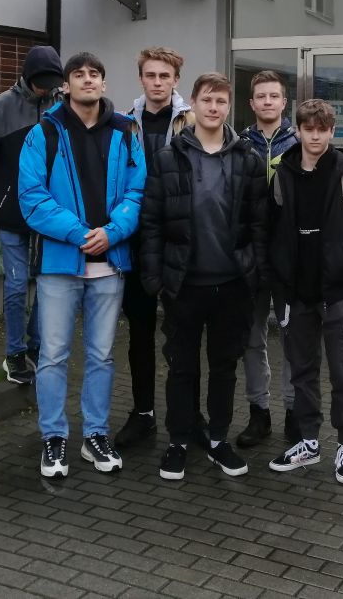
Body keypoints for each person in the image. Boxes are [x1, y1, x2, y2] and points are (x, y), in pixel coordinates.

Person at [18, 52, 146, 478]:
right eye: (79, 74)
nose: (87, 80)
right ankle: (54, 438)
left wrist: (113, 231)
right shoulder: (43, 133)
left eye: (94, 74)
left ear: (104, 84)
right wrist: (79, 233)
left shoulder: (126, 132)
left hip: (110, 264)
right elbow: (32, 198)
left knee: (101, 356)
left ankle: (95, 435)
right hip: (60, 266)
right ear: (66, 85)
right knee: (53, 355)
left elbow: (138, 192)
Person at [140, 72, 269, 481]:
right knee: (181, 367)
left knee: (224, 367)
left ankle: (217, 439)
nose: (214, 108)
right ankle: (178, 441)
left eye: (221, 101)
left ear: (230, 107)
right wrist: (155, 279)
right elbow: (152, 222)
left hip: (232, 285)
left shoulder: (248, 159)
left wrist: (254, 273)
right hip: (183, 285)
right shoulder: (168, 158)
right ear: (193, 104)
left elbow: (259, 224)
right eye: (207, 100)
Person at [267, 99, 343, 485]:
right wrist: (278, 271)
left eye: (322, 130)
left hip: (337, 292)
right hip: (295, 292)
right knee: (301, 371)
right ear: (298, 130)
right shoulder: (282, 175)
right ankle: (308, 441)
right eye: (309, 129)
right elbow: (269, 228)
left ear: (332, 131)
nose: (315, 136)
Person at [0, 45, 64, 385]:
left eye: (51, 84)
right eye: (40, 83)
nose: (45, 90)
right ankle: (15, 353)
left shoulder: (61, 107)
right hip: (12, 210)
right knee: (17, 285)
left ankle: (37, 347)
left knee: (49, 284)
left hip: (50, 213)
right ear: (28, 77)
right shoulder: (2, 106)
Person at [114, 47, 195, 449]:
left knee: (183, 334)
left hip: (178, 239)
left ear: (176, 80)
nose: (158, 82)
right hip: (135, 239)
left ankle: (189, 416)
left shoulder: (192, 121)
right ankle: (143, 413)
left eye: (165, 75)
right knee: (140, 332)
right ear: (141, 79)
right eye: (151, 75)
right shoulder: (124, 124)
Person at [237, 70, 299, 448]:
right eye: (261, 96)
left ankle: (294, 413)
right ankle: (258, 413)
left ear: (284, 102)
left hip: (288, 260)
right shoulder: (239, 145)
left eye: (274, 96)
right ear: (251, 103)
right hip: (250, 257)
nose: (267, 102)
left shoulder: (300, 143)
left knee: (293, 340)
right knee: (251, 338)